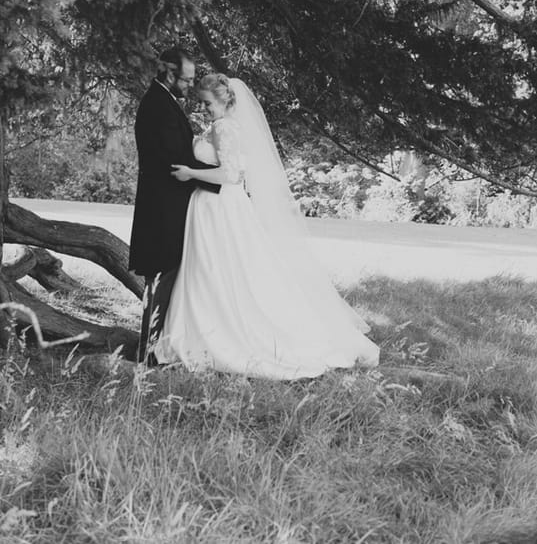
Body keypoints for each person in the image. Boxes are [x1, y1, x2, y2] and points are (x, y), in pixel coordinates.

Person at [153, 73, 379, 379]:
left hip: (221, 208)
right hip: (209, 208)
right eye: (201, 102)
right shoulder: (219, 126)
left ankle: (220, 334)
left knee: (219, 269)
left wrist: (191, 173)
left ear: (222, 99)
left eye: (207, 102)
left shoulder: (225, 127)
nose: (203, 108)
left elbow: (231, 176)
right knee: (208, 269)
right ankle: (200, 330)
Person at [129, 47, 221, 365]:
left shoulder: (164, 102)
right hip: (162, 211)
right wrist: (221, 181)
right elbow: (174, 160)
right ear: (170, 73)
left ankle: (154, 347)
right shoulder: (158, 105)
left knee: (164, 279)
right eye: (187, 79)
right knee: (160, 279)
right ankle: (149, 350)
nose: (190, 87)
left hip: (167, 207)